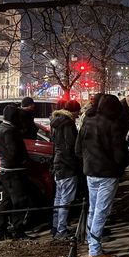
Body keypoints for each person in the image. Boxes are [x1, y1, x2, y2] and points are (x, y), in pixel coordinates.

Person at [76, 94, 128, 257]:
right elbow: (120, 154)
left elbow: (78, 149)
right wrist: (121, 166)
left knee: (93, 209)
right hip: (107, 173)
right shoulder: (113, 125)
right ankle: (94, 250)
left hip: (91, 171)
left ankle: (92, 243)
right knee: (101, 211)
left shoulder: (87, 121)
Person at [0, 105, 32, 240]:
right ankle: (18, 231)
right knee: (19, 201)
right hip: (13, 171)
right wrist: (23, 161)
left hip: (5, 169)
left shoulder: (0, 129)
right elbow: (13, 152)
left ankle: (0, 230)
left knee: (7, 200)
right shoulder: (10, 131)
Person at [51, 100, 82, 239]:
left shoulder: (56, 122)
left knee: (58, 197)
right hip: (67, 164)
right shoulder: (68, 123)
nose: (78, 115)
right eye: (77, 112)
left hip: (58, 163)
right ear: (73, 111)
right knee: (66, 199)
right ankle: (61, 230)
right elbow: (71, 145)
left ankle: (56, 226)